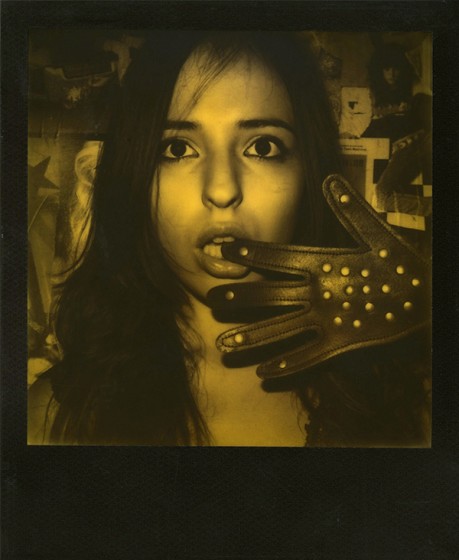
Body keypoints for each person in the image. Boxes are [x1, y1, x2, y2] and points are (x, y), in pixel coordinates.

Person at [28, 31, 431, 447]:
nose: (222, 190)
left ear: (309, 175)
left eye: (263, 147)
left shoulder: (405, 400)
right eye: (178, 149)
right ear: (134, 175)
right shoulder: (54, 420)